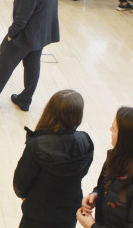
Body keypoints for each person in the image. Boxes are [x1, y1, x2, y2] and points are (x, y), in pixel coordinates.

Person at [14, 89, 94, 228]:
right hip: (68, 213)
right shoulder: (85, 140)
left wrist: (25, 196)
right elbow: (83, 170)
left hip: (37, 213)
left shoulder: (37, 144)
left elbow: (20, 184)